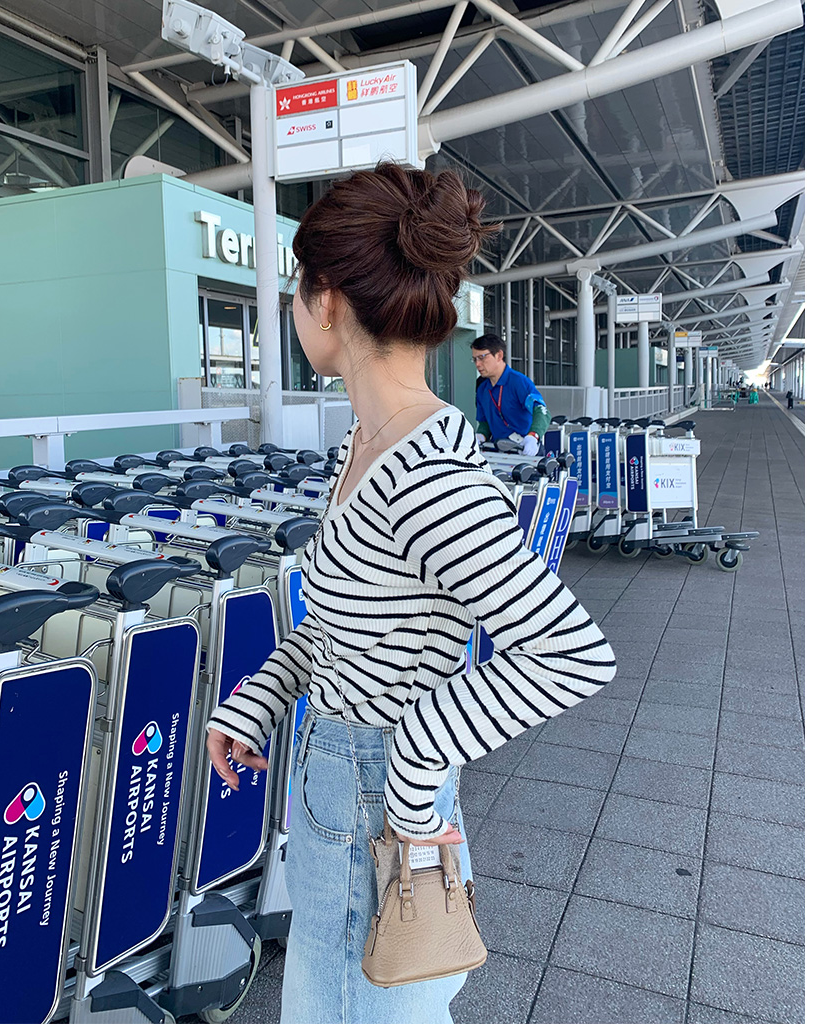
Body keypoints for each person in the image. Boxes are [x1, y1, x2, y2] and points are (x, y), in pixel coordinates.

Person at [204, 162, 617, 1024]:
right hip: (342, 777)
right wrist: (260, 701)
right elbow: (346, 625)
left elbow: (572, 654)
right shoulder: (369, 443)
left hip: (373, 793)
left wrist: (417, 758)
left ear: (326, 301)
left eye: (295, 290)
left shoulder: (422, 472)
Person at [471, 333, 550, 456]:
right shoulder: (482, 389)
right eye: (475, 359)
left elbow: (541, 411)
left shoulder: (518, 382)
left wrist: (533, 436)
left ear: (499, 355)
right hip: (498, 451)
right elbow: (484, 423)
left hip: (525, 450)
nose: (477, 364)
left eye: (482, 357)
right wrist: (480, 436)